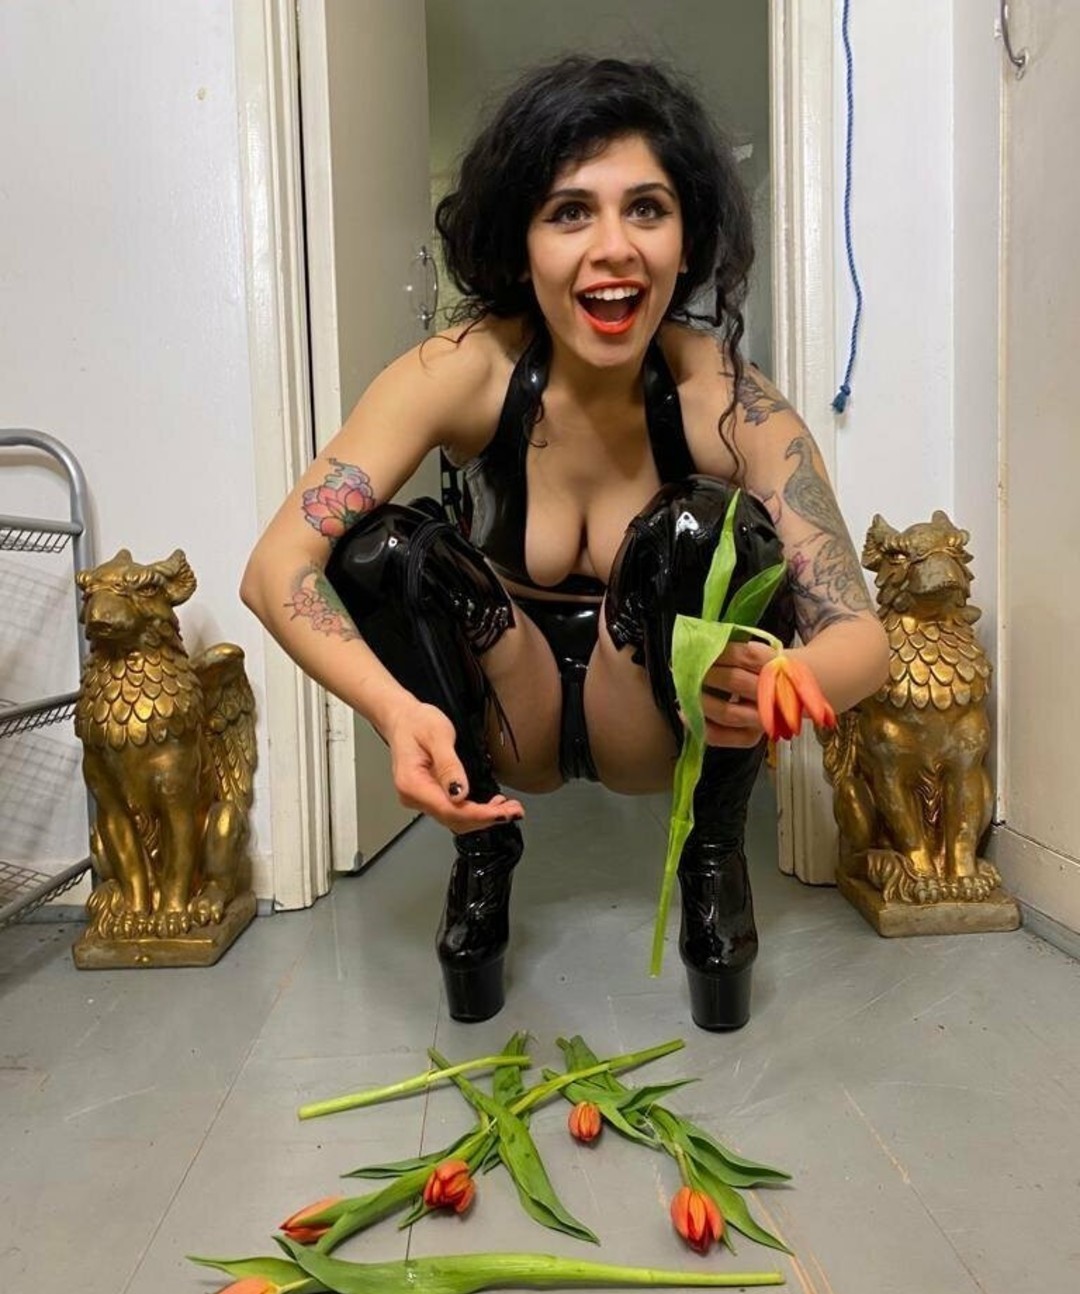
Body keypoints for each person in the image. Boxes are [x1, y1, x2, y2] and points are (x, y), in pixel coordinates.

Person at [241, 57, 889, 1031]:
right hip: (512, 709)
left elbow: (864, 639)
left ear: (687, 236)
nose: (613, 249)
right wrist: (397, 713)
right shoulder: (461, 371)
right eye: (570, 213)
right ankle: (483, 852)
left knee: (703, 526)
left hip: (659, 722)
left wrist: (783, 679)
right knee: (377, 547)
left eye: (647, 209)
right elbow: (275, 569)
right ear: (521, 240)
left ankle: (712, 856)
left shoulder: (725, 396)